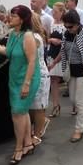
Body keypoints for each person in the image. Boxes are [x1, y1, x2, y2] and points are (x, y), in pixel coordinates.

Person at [0, 5, 39, 165]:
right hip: (15, 78)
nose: (9, 18)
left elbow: (32, 61)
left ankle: (19, 148)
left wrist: (26, 84)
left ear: (22, 19)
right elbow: (8, 52)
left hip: (27, 78)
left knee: (17, 114)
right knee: (22, 112)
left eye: (13, 16)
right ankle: (28, 144)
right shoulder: (14, 34)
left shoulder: (28, 36)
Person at [52, 10, 83, 142]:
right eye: (66, 26)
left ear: (77, 24)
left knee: (80, 101)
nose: (68, 29)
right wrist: (54, 62)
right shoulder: (66, 34)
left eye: (70, 26)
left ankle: (78, 130)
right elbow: (63, 51)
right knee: (73, 100)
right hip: (71, 71)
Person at [29, 13, 51, 144]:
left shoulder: (35, 38)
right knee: (33, 107)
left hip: (40, 74)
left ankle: (37, 135)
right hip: (35, 73)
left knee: (38, 107)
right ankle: (41, 123)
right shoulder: (33, 36)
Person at [47, 2, 67, 118]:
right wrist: (50, 40)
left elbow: (67, 41)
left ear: (62, 12)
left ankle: (75, 105)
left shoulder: (66, 25)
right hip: (52, 53)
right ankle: (55, 105)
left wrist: (59, 42)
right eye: (52, 11)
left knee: (66, 78)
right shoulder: (51, 23)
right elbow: (47, 37)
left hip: (62, 53)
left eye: (55, 12)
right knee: (53, 80)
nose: (53, 14)